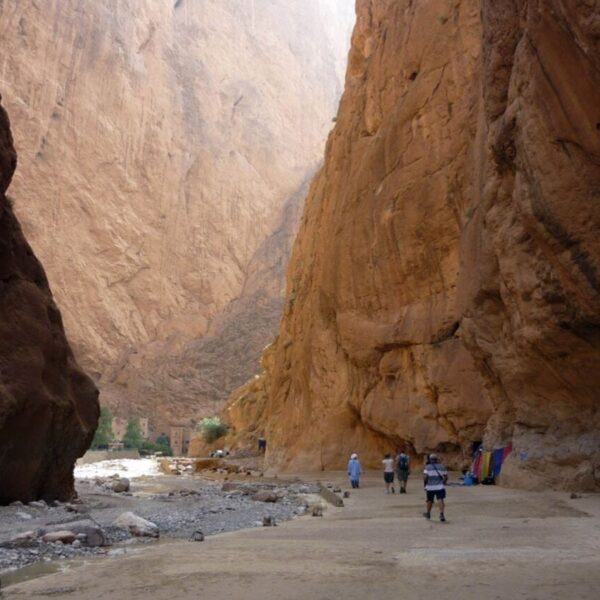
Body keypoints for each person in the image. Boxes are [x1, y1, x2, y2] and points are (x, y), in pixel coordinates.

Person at [423, 453, 448, 522]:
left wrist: (426, 482)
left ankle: (428, 513)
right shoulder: (442, 466)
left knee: (430, 500)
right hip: (440, 486)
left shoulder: (427, 467)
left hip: (430, 487)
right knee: (440, 499)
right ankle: (441, 514)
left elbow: (425, 477)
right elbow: (446, 477)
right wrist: (443, 482)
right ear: (436, 459)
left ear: (430, 460)